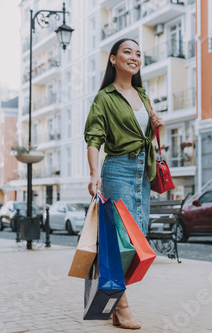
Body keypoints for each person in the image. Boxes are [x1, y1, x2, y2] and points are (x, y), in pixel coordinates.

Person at [84, 38, 164, 330]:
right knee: (121, 240)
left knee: (137, 238)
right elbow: (94, 138)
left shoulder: (142, 94)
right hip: (117, 169)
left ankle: (112, 299)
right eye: (127, 52)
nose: (134, 57)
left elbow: (146, 136)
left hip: (143, 171)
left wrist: (156, 125)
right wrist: (94, 173)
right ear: (113, 60)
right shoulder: (104, 97)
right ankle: (122, 306)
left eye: (138, 53)